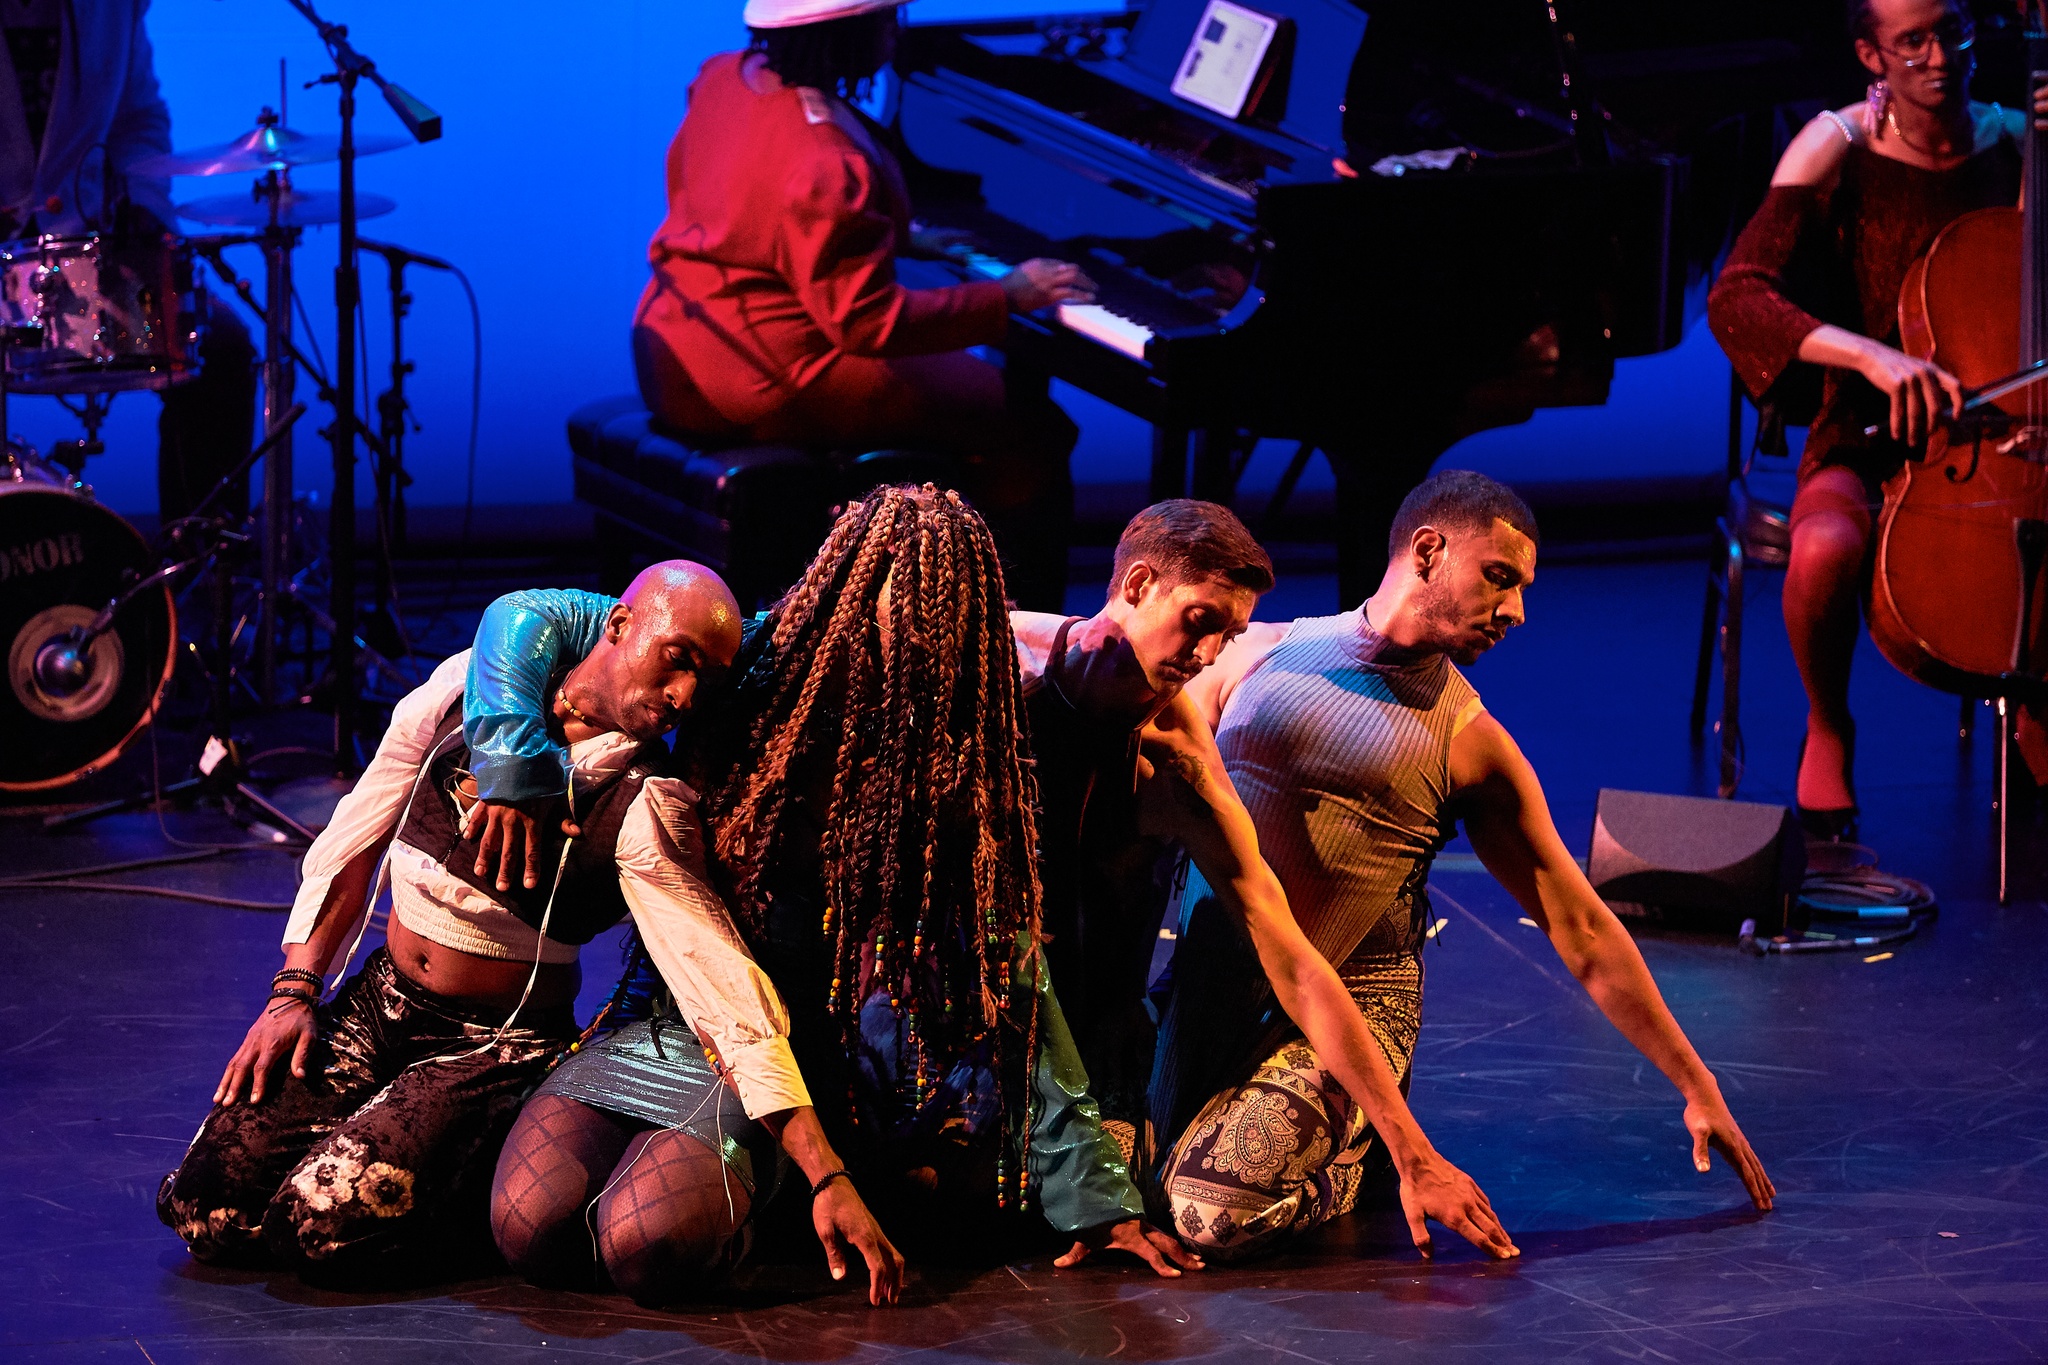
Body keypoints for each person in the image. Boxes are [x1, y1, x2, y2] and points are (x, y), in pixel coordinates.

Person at [487, 486, 1196, 1305]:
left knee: (647, 1245)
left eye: (941, 611)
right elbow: (527, 615)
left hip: (790, 1060)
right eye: (893, 594)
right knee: (529, 1227)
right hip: (668, 1014)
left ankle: (790, 1186)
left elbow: (1014, 975)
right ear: (846, 583)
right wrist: (511, 757)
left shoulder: (946, 767)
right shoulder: (753, 670)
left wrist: (1097, 1195)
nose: (912, 631)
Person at [157, 562, 897, 1292]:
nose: (685, 695)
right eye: (678, 661)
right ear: (619, 624)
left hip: (494, 1045)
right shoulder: (462, 689)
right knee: (203, 1207)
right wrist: (293, 992)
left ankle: (460, 1180)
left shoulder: (642, 801)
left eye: (705, 679)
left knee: (320, 1221)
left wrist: (823, 1169)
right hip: (382, 1002)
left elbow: (721, 986)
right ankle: (395, 1154)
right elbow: (356, 834)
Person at [1150, 470, 1776, 1261]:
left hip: (1350, 1010)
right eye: (1499, 577)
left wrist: (1696, 1081)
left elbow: (1580, 925)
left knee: (1204, 1213)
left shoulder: (1471, 743)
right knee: (1064, 1171)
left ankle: (1354, 1155)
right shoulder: (1256, 655)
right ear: (1428, 550)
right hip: (1211, 998)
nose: (1516, 610)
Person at [1005, 498, 1536, 1271]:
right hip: (1025, 1019)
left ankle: (1349, 1167)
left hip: (1131, 1025)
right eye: (1199, 620)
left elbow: (1288, 952)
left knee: (1202, 1211)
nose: (1208, 652)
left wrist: (1414, 1151)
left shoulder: (1181, 756)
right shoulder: (1004, 669)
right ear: (1139, 584)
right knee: (1015, 1198)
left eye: (1226, 633)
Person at [1708, 0, 2048, 838]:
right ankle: (1829, 724)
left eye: (1953, 32)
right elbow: (1740, 293)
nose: (1940, 57)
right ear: (1872, 55)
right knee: (1823, 549)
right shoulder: (1838, 146)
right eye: (1914, 42)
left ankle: (2034, 694)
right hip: (1867, 427)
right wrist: (1869, 354)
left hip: (2009, 423)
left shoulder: (2013, 142)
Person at [630, 0, 1096, 609]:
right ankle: (1017, 633)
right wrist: (1004, 295)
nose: (895, 32)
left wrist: (891, 236)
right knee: (1033, 425)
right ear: (852, 36)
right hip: (768, 380)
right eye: (887, 20)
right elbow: (866, 323)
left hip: (676, 349)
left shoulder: (723, 77)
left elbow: (755, 207)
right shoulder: (828, 160)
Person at [1, 0, 257, 524]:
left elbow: (138, 120)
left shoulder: (112, 7)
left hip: (85, 252)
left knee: (221, 351)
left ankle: (200, 569)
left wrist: (145, 206)